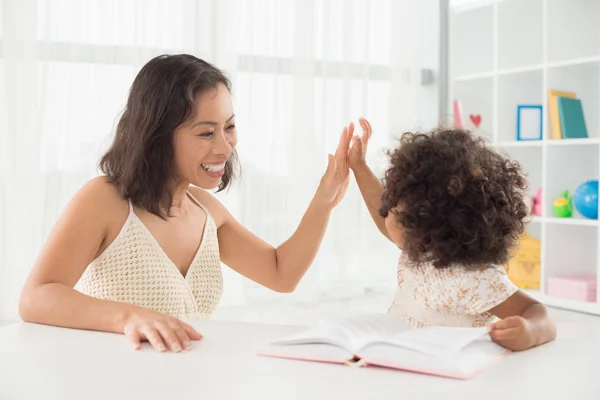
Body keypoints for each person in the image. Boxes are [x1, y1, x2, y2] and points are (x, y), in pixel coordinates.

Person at [19, 54, 353, 353]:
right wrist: (128, 315)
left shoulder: (207, 210)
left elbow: (282, 274)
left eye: (229, 127)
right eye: (206, 133)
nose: (225, 147)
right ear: (158, 136)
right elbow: (36, 297)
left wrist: (323, 201)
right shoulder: (104, 200)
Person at [347, 119, 556, 351]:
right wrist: (359, 167)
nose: (385, 213)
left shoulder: (476, 279)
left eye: (394, 209)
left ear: (427, 223)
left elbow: (536, 312)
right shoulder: (419, 247)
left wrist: (530, 331)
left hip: (447, 368)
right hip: (397, 353)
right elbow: (385, 218)